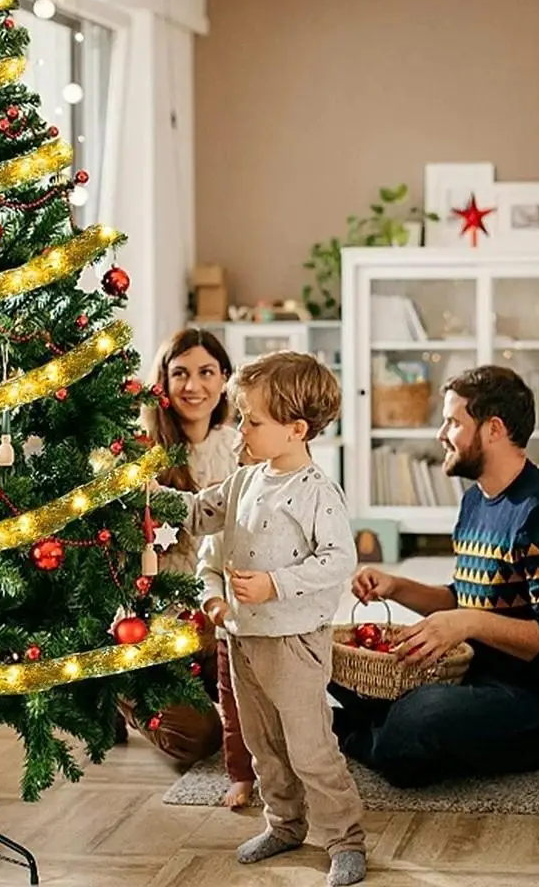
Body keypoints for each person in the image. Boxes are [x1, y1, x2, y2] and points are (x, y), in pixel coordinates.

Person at [155, 350, 366, 887]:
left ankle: (345, 839)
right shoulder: (246, 480)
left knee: (310, 748)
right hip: (242, 639)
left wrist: (275, 584)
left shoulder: (316, 491)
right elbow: (201, 513)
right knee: (262, 743)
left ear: (296, 429)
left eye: (252, 421)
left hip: (294, 641)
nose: (240, 430)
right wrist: (146, 495)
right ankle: (285, 824)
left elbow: (338, 560)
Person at [331, 365, 539, 788]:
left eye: (453, 422)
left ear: (494, 428)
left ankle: (354, 734)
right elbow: (464, 597)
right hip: (470, 676)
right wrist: (397, 586)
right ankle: (374, 725)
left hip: (528, 700)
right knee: (332, 666)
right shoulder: (474, 503)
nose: (441, 434)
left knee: (415, 720)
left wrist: (470, 623)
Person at [119, 328, 257, 808]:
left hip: (221, 610)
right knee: (196, 738)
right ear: (163, 381)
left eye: (206, 372)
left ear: (225, 381)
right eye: (180, 373)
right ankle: (120, 692)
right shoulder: (139, 452)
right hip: (155, 618)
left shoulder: (244, 447)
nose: (193, 386)